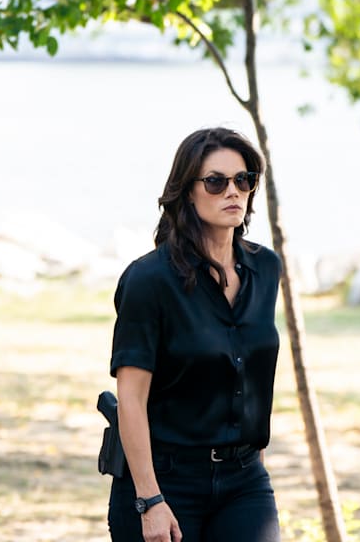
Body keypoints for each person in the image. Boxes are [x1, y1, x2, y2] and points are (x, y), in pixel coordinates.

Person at [108, 128, 282, 542]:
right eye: (216, 182)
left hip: (244, 481)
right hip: (165, 480)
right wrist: (149, 499)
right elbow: (131, 398)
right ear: (187, 191)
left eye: (244, 180)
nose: (233, 191)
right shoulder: (149, 280)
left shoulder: (265, 269)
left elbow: (252, 376)